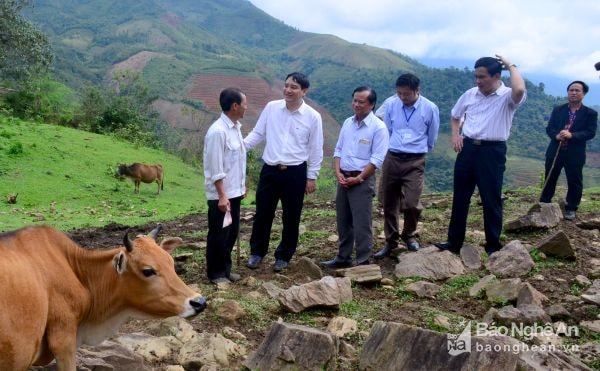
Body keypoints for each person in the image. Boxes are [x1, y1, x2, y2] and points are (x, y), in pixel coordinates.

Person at [436, 55, 526, 256]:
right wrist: (455, 134)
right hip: (468, 149)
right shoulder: (470, 94)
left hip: (492, 151)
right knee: (460, 197)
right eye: (476, 76)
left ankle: (492, 244)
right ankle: (454, 241)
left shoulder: (507, 96)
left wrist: (511, 64)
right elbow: (455, 116)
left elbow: (520, 89)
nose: (478, 81)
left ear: (496, 76)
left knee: (490, 198)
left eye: (482, 77)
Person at [244, 72, 324, 272]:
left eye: (294, 87)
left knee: (291, 216)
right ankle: (257, 252)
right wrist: (239, 147)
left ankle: (283, 255)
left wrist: (312, 176)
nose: (288, 90)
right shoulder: (272, 108)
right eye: (286, 85)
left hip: (295, 172)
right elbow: (258, 133)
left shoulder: (313, 117)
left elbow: (316, 148)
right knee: (263, 213)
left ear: (304, 91)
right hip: (270, 169)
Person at [321, 86, 389, 268]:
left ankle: (363, 260)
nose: (356, 104)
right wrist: (338, 173)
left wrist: (359, 178)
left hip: (362, 181)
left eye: (361, 102)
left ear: (372, 104)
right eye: (354, 100)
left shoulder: (378, 128)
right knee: (343, 221)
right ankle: (343, 257)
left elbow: (376, 159)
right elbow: (338, 150)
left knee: (361, 222)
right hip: (344, 178)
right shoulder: (348, 123)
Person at [373, 73, 440, 258]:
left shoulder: (429, 108)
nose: (403, 97)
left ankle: (409, 234)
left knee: (411, 203)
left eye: (407, 94)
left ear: (417, 91)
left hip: (415, 160)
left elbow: (432, 135)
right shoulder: (391, 104)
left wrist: (419, 149)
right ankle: (390, 241)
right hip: (392, 157)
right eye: (400, 93)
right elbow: (387, 129)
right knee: (389, 202)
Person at [203, 87, 247, 284]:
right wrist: (222, 195)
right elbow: (216, 167)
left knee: (231, 232)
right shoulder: (218, 132)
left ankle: (226, 269)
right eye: (244, 103)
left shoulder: (235, 128)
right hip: (222, 195)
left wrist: (240, 187)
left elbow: (237, 162)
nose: (247, 107)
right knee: (219, 234)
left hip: (234, 192)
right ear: (235, 106)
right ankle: (216, 273)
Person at [539, 81, 597, 220]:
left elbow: (590, 132)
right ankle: (544, 202)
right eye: (571, 90)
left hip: (575, 153)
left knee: (574, 180)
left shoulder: (590, 113)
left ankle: (571, 207)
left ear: (584, 93)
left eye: (577, 90)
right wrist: (556, 135)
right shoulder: (558, 109)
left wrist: (573, 135)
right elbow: (550, 128)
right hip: (555, 150)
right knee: (550, 175)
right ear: (568, 92)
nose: (574, 93)